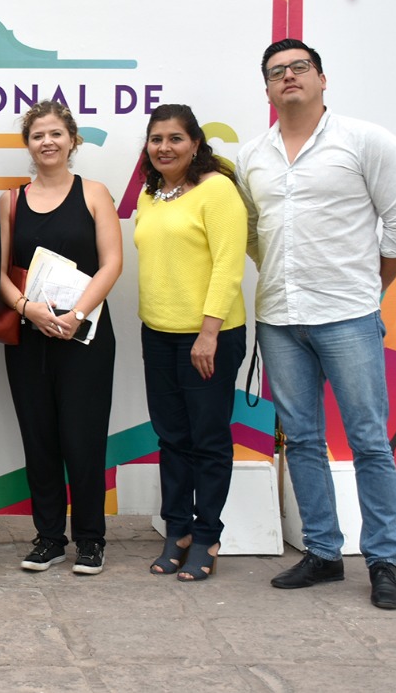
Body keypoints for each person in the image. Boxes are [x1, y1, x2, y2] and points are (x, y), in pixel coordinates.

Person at [239, 38, 396, 610]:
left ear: (322, 78)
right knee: (302, 440)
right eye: (277, 72)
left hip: (348, 316)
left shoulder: (366, 141)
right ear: (267, 90)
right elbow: (254, 233)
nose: (289, 76)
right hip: (278, 318)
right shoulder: (252, 156)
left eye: (300, 67)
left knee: (368, 440)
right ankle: (322, 552)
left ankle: (383, 559)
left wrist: (367, 289)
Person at [0, 100, 121, 576]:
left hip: (85, 338)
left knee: (83, 440)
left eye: (55, 133)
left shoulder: (95, 193)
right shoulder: (10, 202)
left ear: (72, 140)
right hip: (31, 340)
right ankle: (48, 538)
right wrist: (26, 309)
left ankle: (90, 539)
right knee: (39, 439)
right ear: (28, 145)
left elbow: (112, 263)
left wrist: (76, 315)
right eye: (37, 135)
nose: (47, 142)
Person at [133, 103, 247, 581]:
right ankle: (177, 530)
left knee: (209, 440)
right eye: (156, 139)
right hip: (158, 333)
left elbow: (229, 264)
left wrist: (208, 333)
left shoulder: (217, 189)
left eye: (175, 138)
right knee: (172, 438)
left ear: (195, 143)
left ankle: (207, 536)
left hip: (209, 337)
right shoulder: (150, 194)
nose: (165, 147)